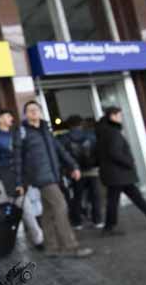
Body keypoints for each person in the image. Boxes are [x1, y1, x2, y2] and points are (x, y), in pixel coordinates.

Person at [13, 101, 94, 258]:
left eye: (36, 109)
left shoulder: (45, 130)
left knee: (48, 212)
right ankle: (71, 246)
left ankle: (51, 247)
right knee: (61, 205)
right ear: (25, 114)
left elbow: (60, 150)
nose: (34, 112)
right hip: (41, 177)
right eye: (30, 110)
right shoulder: (22, 133)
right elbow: (17, 160)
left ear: (41, 112)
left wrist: (74, 166)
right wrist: (18, 182)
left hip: (53, 175)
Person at [96, 107, 146, 235]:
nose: (121, 118)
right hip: (118, 173)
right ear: (112, 116)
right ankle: (109, 228)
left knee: (134, 197)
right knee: (114, 201)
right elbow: (115, 153)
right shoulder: (113, 132)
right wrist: (129, 162)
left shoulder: (104, 131)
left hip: (116, 174)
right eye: (119, 115)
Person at [0, 109, 44, 248]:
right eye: (8, 115)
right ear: (0, 119)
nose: (11, 117)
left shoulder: (15, 134)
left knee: (27, 208)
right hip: (9, 180)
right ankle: (38, 239)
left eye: (11, 115)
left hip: (24, 177)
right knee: (25, 209)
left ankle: (32, 237)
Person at [60, 115, 103, 230]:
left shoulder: (64, 138)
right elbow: (98, 151)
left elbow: (62, 156)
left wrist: (67, 170)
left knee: (77, 197)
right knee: (95, 196)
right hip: (92, 170)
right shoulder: (91, 135)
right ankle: (97, 220)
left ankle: (77, 222)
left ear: (69, 125)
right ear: (81, 123)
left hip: (75, 172)